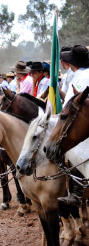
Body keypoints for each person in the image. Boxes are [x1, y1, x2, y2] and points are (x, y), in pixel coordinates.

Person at [55, 45, 89, 207]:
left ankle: (76, 193)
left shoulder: (81, 76)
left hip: (80, 119)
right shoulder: (80, 74)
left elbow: (73, 103)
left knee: (73, 150)